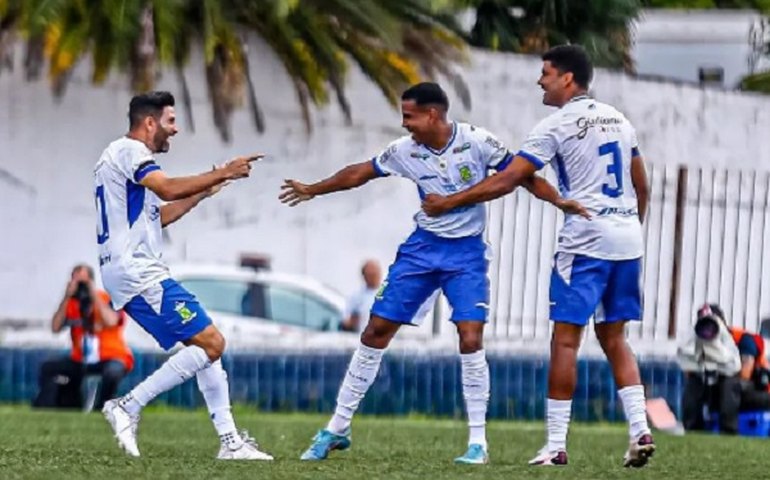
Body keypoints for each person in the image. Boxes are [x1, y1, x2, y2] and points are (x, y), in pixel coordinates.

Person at [280, 82, 584, 464]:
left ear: (432, 114)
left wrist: (559, 201)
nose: (404, 124)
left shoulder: (477, 141)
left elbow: (523, 177)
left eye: (409, 116)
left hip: (466, 255)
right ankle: (337, 428)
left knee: (470, 337)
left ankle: (478, 443)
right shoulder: (404, 151)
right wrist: (313, 189)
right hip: (421, 251)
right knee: (375, 331)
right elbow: (361, 172)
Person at [421, 45, 654, 467]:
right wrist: (628, 227)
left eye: (545, 73)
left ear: (567, 78)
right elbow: (642, 186)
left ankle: (556, 445)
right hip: (627, 242)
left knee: (565, 339)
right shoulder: (620, 120)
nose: (539, 81)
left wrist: (449, 201)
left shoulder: (555, 125)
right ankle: (640, 429)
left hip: (585, 244)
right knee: (615, 338)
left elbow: (510, 178)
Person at [94, 91, 272, 460]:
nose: (175, 130)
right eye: (170, 121)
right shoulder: (130, 151)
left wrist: (205, 191)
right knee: (212, 344)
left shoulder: (121, 160)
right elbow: (168, 187)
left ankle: (230, 442)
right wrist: (224, 171)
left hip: (131, 270)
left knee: (206, 346)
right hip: (138, 272)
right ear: (149, 123)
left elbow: (159, 217)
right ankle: (127, 405)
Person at [34, 264, 133, 410]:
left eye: (83, 283)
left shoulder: (105, 299)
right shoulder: (70, 303)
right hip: (80, 358)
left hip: (110, 355)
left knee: (112, 372)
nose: (80, 287)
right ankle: (50, 406)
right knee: (48, 367)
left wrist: (93, 295)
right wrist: (66, 296)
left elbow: (111, 321)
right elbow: (55, 327)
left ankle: (102, 407)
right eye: (76, 281)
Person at [678, 303, 743, 433]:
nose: (708, 329)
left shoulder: (735, 337)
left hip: (727, 380)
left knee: (729, 385)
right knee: (692, 385)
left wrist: (717, 358)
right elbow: (684, 359)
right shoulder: (695, 339)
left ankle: (728, 429)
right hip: (702, 378)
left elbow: (735, 367)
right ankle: (692, 429)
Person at [341, 260, 382, 333]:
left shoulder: (389, 294)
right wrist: (352, 322)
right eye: (370, 275)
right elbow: (346, 322)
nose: (374, 278)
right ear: (364, 276)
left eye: (375, 274)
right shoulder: (356, 298)